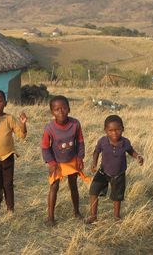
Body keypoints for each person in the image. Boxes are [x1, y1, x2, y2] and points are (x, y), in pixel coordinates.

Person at [85, 115, 144, 224]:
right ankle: (93, 216)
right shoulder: (102, 141)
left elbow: (130, 151)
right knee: (94, 191)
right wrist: (94, 162)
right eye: (110, 130)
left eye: (117, 130)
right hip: (103, 172)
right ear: (105, 130)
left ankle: (116, 217)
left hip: (119, 174)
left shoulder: (125, 142)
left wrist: (137, 156)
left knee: (117, 196)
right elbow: (96, 151)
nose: (114, 133)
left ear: (123, 129)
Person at [41, 95, 89, 226]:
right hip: (56, 162)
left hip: (72, 159)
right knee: (54, 187)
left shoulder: (75, 124)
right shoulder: (49, 128)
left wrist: (80, 157)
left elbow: (80, 141)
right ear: (52, 112)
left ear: (69, 109)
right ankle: (50, 217)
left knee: (73, 185)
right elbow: (45, 147)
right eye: (56, 109)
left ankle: (77, 212)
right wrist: (51, 163)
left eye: (63, 108)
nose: (60, 111)